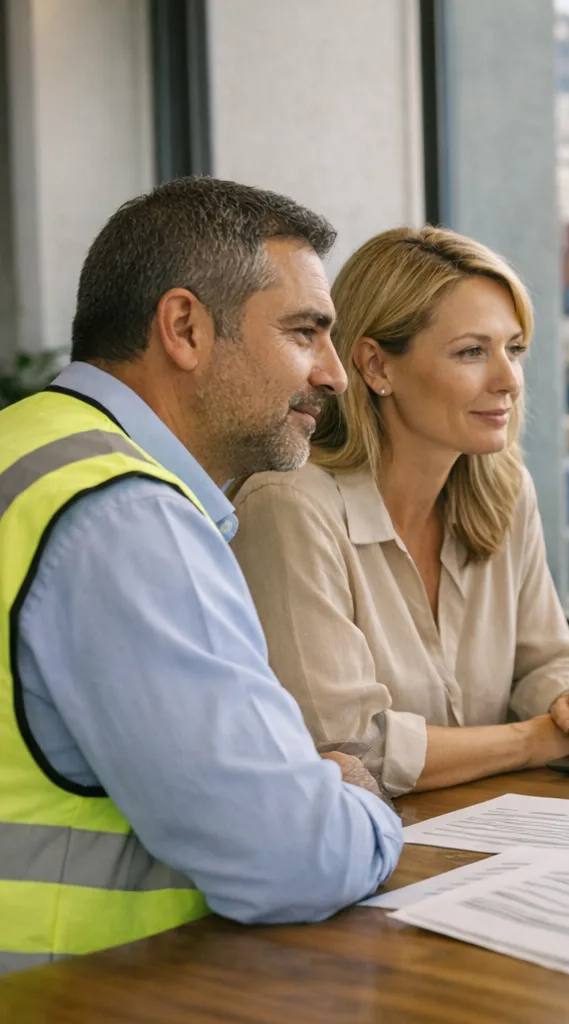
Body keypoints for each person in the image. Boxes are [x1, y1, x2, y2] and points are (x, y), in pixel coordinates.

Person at [0, 178, 402, 974]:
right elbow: (292, 857)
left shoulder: (26, 446)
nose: (335, 375)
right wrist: (357, 798)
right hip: (83, 991)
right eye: (304, 332)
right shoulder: (123, 514)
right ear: (183, 326)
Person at [229, 226, 569, 797]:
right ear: (376, 367)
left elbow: (548, 657)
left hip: (498, 835)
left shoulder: (504, 490)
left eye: (514, 349)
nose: (509, 381)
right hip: (363, 859)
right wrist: (535, 740)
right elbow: (351, 749)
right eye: (472, 351)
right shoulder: (288, 507)